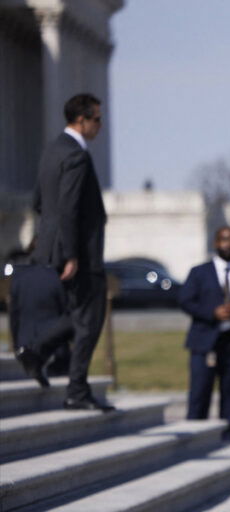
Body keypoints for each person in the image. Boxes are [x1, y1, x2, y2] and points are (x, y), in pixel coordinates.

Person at [31, 93, 113, 411]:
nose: (100, 125)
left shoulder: (52, 150)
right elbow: (69, 207)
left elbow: (39, 201)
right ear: (81, 120)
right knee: (90, 320)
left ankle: (37, 351)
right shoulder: (77, 155)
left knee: (80, 316)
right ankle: (76, 389)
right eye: (97, 119)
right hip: (80, 252)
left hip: (54, 248)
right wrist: (71, 254)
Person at [178, 226, 230, 443]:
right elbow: (185, 301)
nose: (228, 244)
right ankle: (195, 442)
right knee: (199, 397)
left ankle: (229, 442)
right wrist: (212, 313)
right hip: (204, 343)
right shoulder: (199, 272)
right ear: (216, 243)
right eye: (224, 240)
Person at [9, 246, 74, 388]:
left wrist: (15, 343)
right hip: (54, 346)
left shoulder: (19, 277)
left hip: (25, 340)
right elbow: (66, 311)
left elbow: (14, 315)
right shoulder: (57, 276)